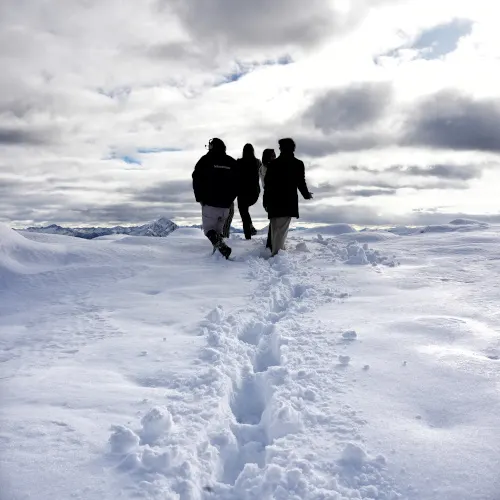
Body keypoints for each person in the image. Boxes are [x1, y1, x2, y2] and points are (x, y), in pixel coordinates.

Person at [263, 138, 312, 256]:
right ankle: (277, 256)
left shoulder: (273, 164)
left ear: (281, 149)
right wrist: (306, 195)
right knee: (281, 230)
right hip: (288, 202)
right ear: (293, 149)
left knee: (276, 229)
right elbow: (301, 182)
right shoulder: (298, 164)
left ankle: (276, 253)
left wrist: (266, 201)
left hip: (273, 201)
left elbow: (267, 185)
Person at [192, 138, 238, 259]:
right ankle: (219, 255)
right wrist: (231, 197)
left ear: (212, 147)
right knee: (218, 232)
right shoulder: (231, 162)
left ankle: (222, 250)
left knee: (209, 230)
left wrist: (200, 198)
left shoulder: (205, 161)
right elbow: (239, 182)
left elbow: (196, 179)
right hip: (226, 205)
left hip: (210, 203)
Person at [236, 143, 261, 240]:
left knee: (244, 213)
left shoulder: (239, 162)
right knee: (245, 212)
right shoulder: (257, 162)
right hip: (254, 193)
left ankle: (248, 236)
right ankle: (250, 227)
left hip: (242, 192)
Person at [260, 148, 276, 249]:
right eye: (273, 155)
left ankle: (270, 243)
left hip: (267, 196)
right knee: (274, 221)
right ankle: (271, 244)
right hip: (272, 195)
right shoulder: (272, 168)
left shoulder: (261, 168)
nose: (275, 157)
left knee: (273, 220)